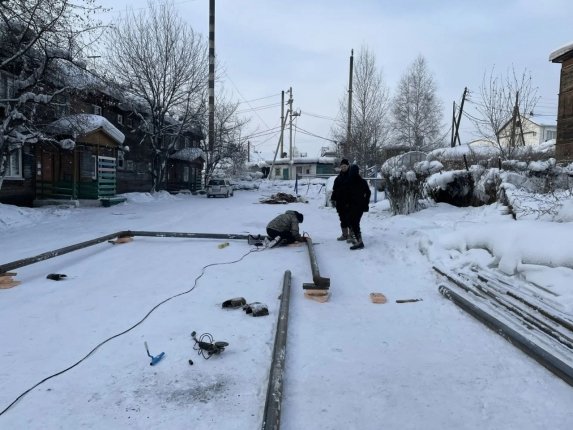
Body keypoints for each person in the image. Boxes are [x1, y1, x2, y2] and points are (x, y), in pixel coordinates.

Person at [346, 164, 371, 250]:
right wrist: (366, 203)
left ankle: (359, 242)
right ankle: (356, 238)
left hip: (355, 206)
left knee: (354, 223)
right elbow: (368, 193)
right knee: (352, 222)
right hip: (356, 206)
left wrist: (365, 203)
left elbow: (368, 192)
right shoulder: (361, 181)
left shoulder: (351, 181)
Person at [330, 159, 351, 241]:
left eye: (345, 166)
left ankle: (351, 236)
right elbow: (335, 190)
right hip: (340, 203)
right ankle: (345, 235)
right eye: (342, 166)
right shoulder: (338, 178)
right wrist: (333, 199)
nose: (343, 168)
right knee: (342, 219)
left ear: (348, 166)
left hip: (350, 202)